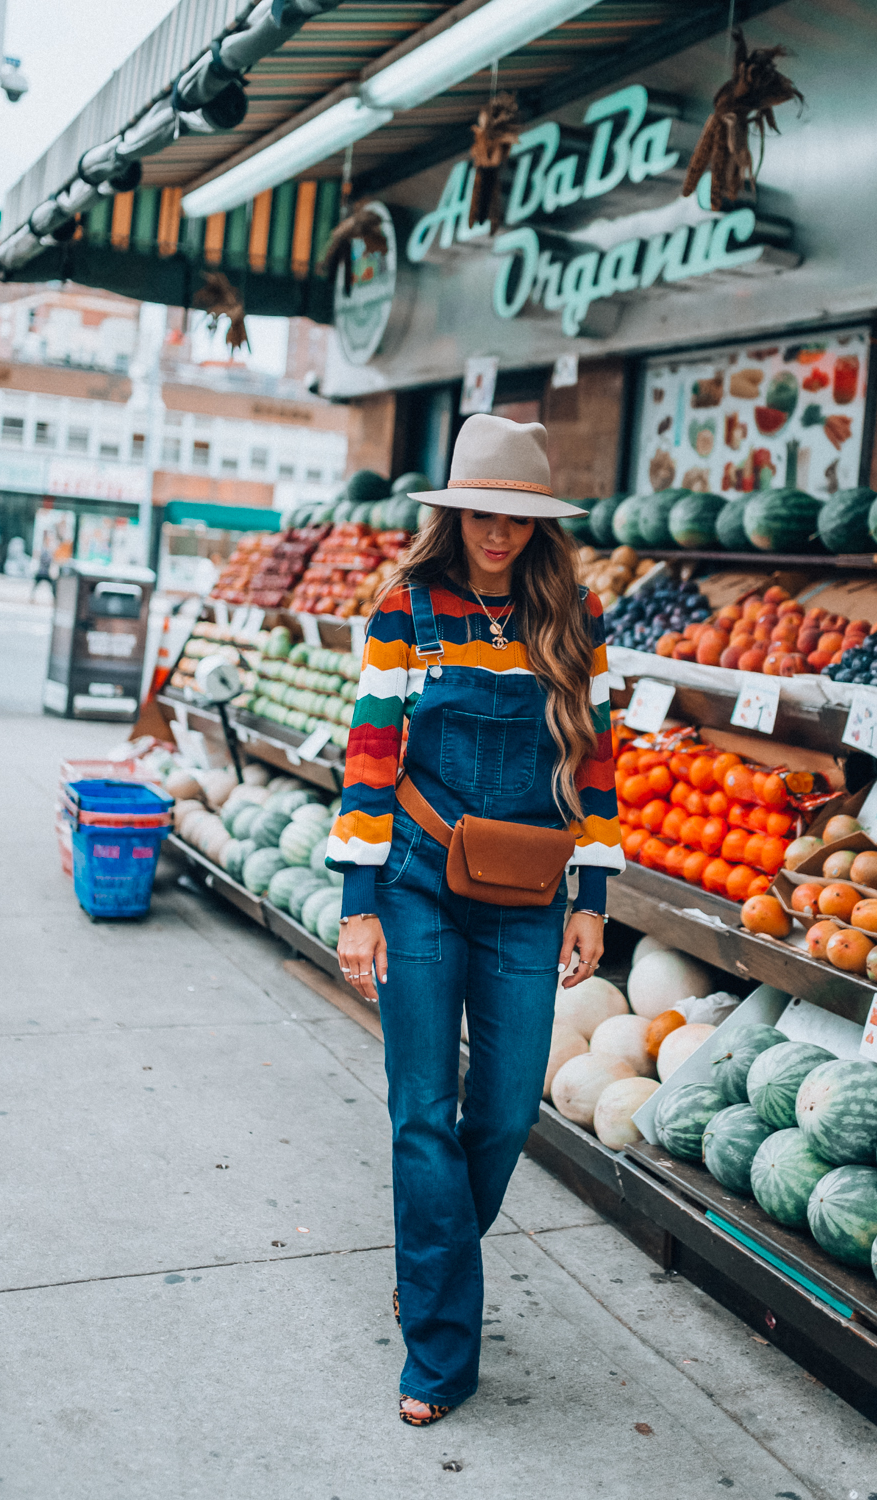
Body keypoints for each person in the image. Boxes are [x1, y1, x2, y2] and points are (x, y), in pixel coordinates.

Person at [327, 414, 623, 1426]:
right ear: (454, 515)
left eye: (516, 518)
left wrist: (594, 899)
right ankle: (440, 1352)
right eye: (481, 514)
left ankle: (431, 1269)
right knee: (421, 1110)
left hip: (531, 897)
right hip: (413, 879)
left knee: (499, 1111)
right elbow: (370, 757)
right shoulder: (406, 608)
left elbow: (594, 765)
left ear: (539, 524)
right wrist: (357, 905)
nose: (496, 533)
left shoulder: (576, 613)